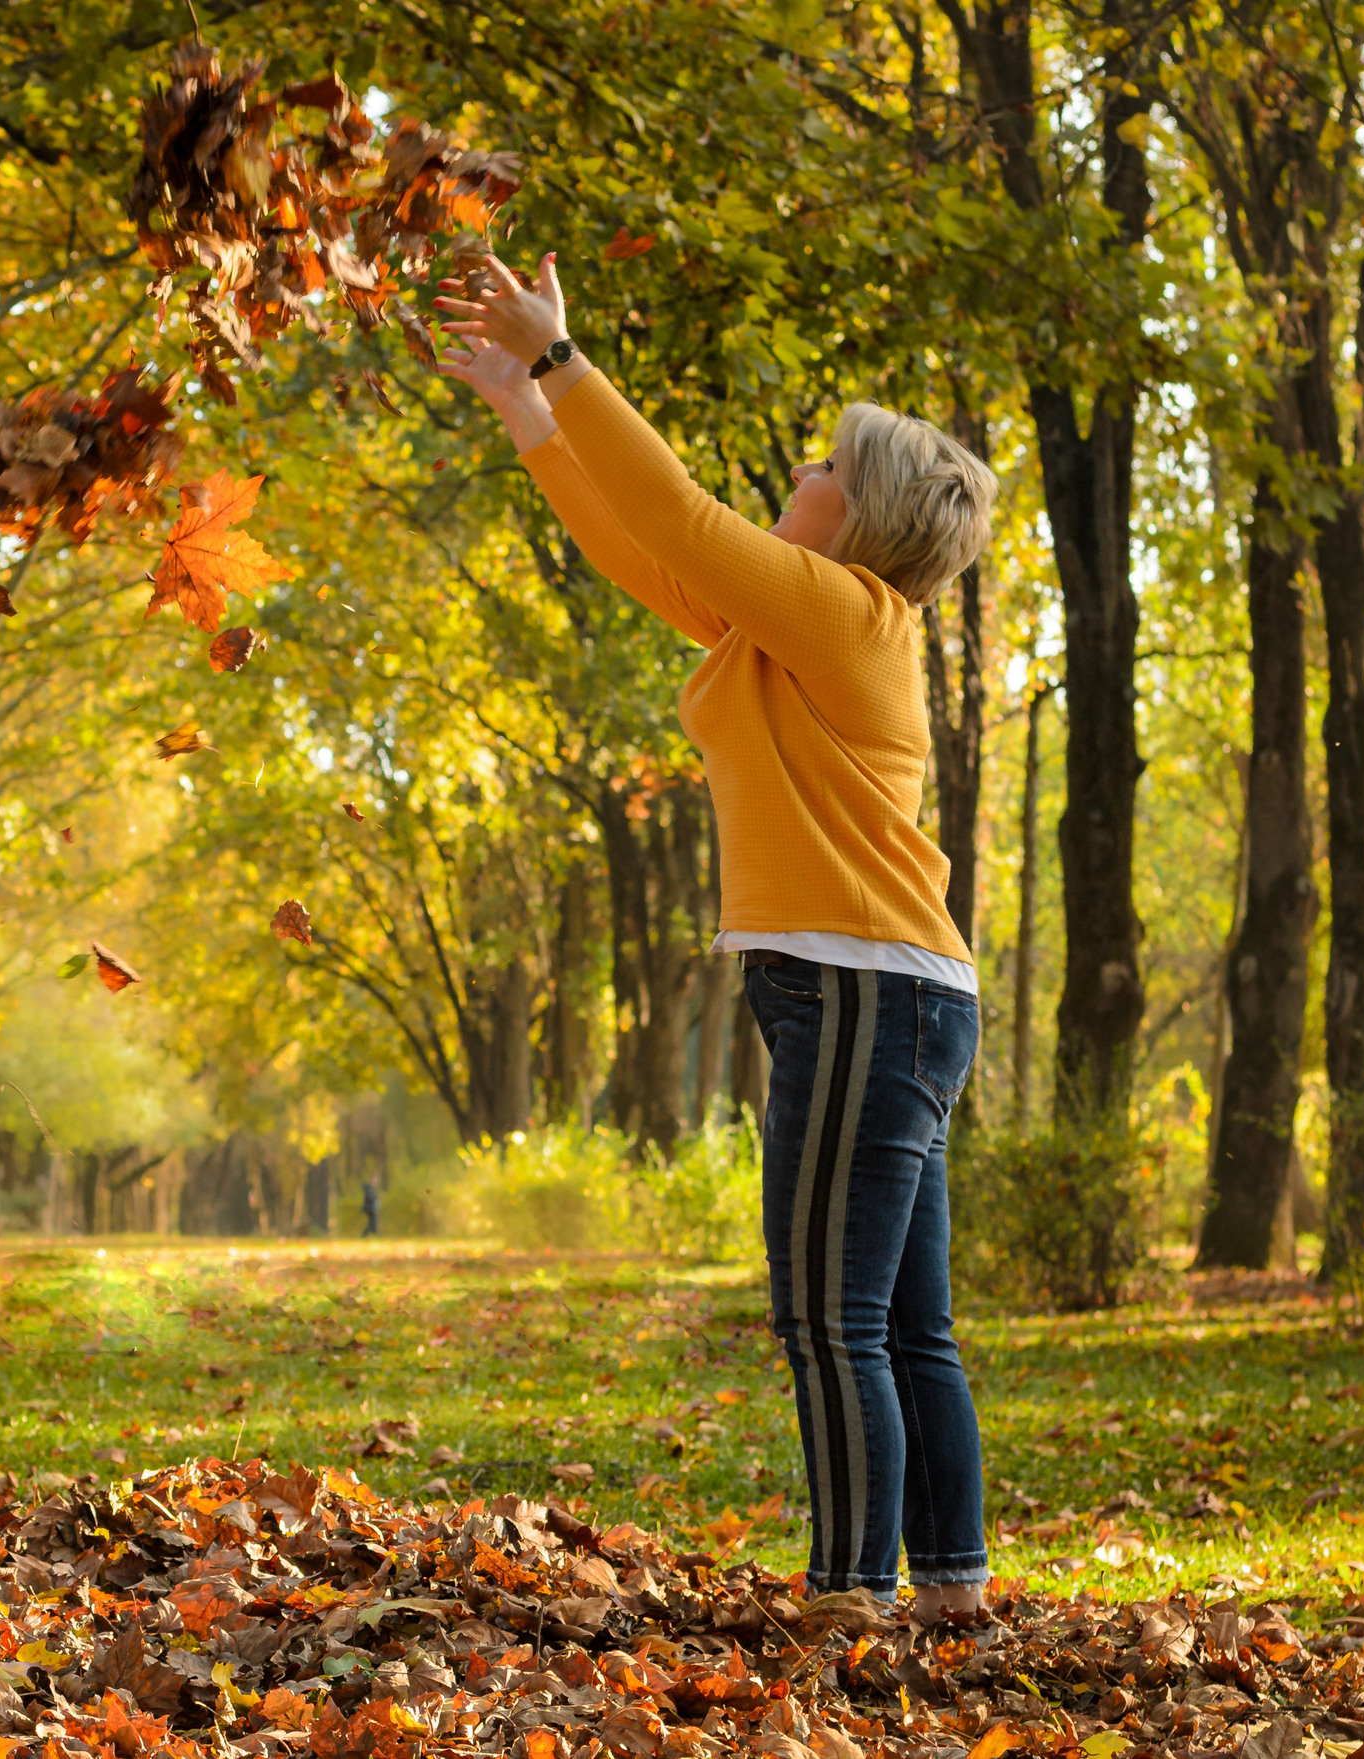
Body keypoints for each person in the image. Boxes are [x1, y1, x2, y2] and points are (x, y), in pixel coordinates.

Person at [437, 255, 995, 1623]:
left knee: (830, 1315)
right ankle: (950, 1584)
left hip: (862, 984)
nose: (798, 476)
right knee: (901, 1320)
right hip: (883, 986)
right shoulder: (783, 629)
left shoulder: (848, 612)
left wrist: (564, 360)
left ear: (855, 514)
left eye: (821, 463)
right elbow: (645, 547)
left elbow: (681, 509)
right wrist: (527, 412)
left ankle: (856, 1588)